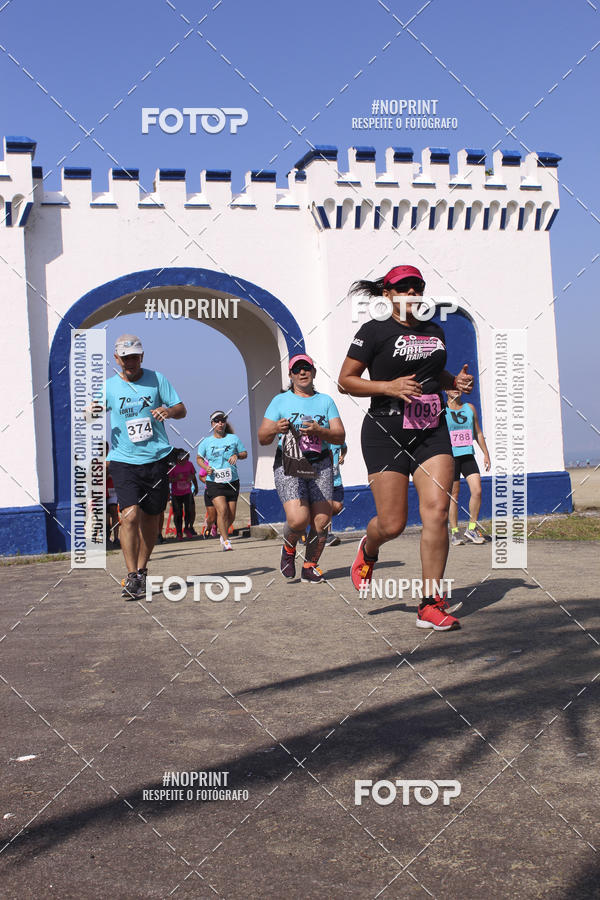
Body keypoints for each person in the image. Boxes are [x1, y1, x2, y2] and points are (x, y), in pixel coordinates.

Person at [338, 265, 473, 631]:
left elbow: (435, 373)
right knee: (393, 523)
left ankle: (430, 603)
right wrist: (387, 387)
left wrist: (453, 382)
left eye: (417, 287)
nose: (411, 292)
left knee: (437, 511)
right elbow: (345, 381)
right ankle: (369, 547)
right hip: (386, 428)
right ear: (388, 294)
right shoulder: (374, 330)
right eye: (403, 288)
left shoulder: (434, 330)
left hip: (432, 428)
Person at [99, 334, 186, 600]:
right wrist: (89, 411)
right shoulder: (109, 387)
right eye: (125, 358)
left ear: (142, 356)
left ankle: (142, 569)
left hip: (156, 458)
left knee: (151, 517)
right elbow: (90, 413)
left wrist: (168, 412)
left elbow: (181, 408)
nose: (130, 362)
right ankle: (132, 575)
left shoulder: (158, 379)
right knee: (130, 515)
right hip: (123, 460)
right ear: (117, 359)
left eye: (135, 357)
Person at [258, 353, 346, 584]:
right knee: (298, 519)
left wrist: (320, 431)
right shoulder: (280, 401)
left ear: (314, 372)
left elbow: (340, 436)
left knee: (321, 521)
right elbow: (262, 437)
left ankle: (310, 566)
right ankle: (288, 549)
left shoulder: (325, 401)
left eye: (307, 368)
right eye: (297, 370)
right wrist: (276, 427)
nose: (302, 372)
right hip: (289, 463)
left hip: (321, 463)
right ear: (291, 375)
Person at [445, 390, 491, 545]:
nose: (456, 390)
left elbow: (477, 432)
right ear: (446, 391)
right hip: (451, 457)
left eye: (458, 388)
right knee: (453, 496)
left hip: (467, 455)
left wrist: (486, 454)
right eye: (452, 387)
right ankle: (455, 532)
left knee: (477, 490)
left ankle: (471, 528)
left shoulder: (469, 408)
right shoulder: (442, 411)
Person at [197, 411, 247, 551]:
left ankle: (222, 532)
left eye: (223, 420)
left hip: (232, 480)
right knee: (222, 510)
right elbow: (199, 459)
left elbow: (245, 453)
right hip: (214, 481)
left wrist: (237, 455)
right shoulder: (206, 442)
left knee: (231, 516)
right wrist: (205, 468)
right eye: (217, 421)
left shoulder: (234, 438)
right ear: (212, 424)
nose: (220, 423)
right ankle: (226, 541)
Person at [169, 448, 199, 539]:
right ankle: (179, 532)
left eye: (186, 458)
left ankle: (187, 528)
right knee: (177, 513)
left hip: (187, 492)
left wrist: (195, 486)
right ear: (178, 458)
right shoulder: (173, 466)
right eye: (183, 458)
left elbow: (193, 476)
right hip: (176, 494)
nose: (185, 460)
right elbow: (168, 479)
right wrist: (176, 479)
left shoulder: (189, 465)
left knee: (189, 511)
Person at [327, 441, 348, 546]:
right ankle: (327, 534)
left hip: (336, 480)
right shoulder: (321, 439)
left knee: (338, 506)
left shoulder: (337, 439)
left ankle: (317, 527)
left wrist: (342, 456)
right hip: (323, 480)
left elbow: (344, 447)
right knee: (327, 507)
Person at [105, 442, 120, 548]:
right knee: (105, 515)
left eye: (105, 448)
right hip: (101, 491)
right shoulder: (95, 462)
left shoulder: (112, 460)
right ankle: (106, 537)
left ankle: (116, 537)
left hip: (112, 489)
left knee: (114, 512)